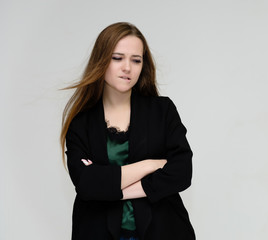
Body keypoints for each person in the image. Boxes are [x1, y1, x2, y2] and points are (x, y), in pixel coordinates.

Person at [60, 22, 195, 240]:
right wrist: (150, 165)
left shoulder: (162, 110)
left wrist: (108, 187)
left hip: (163, 231)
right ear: (101, 60)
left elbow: (182, 172)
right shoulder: (81, 122)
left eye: (136, 60)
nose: (127, 68)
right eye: (117, 58)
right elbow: (86, 184)